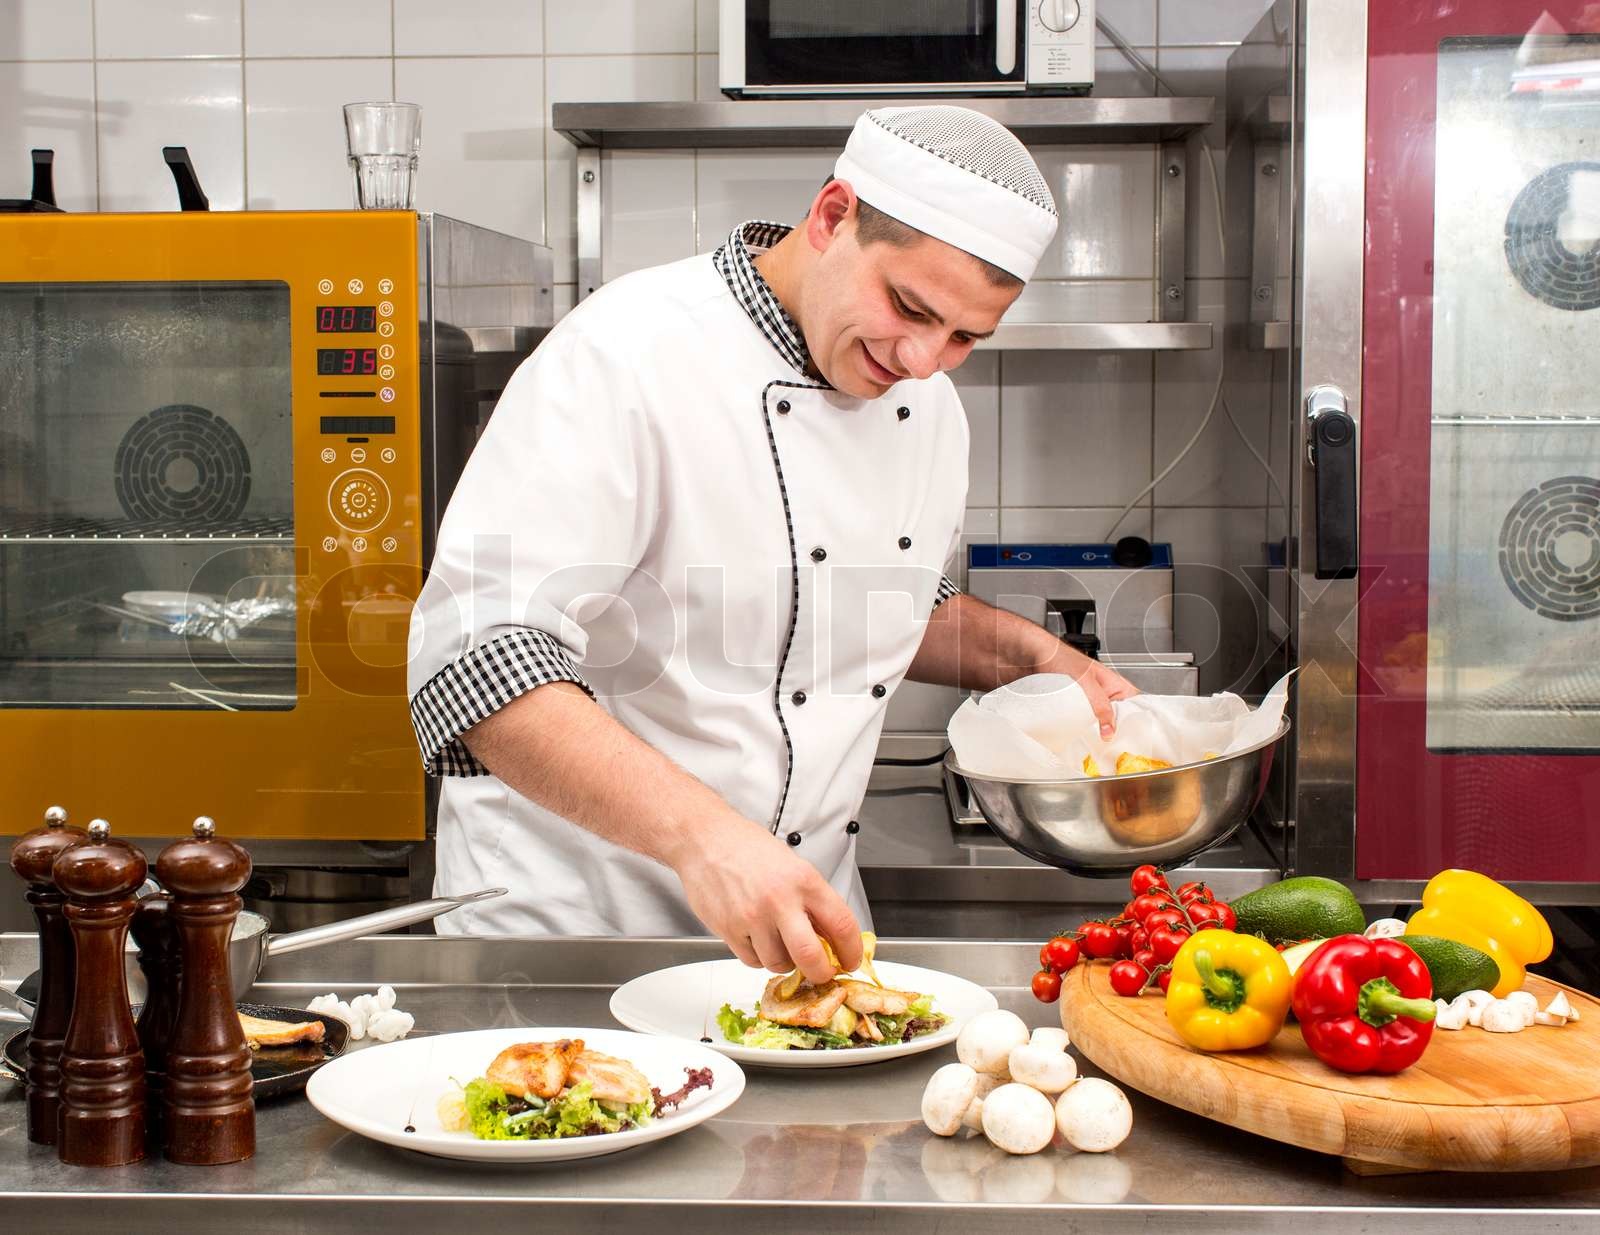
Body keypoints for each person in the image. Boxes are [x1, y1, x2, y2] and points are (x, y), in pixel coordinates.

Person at [407, 105, 1136, 983]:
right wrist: (706, 839)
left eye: (966, 338)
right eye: (910, 306)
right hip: (581, 935)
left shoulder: (930, 408)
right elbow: (476, 658)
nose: (921, 357)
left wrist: (1036, 657)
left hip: (806, 944)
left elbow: (861, 604)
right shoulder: (624, 352)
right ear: (832, 216)